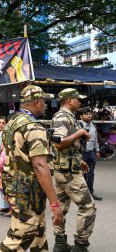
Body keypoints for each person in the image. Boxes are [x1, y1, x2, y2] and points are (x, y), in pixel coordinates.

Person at [0, 85, 64, 252]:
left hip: (18, 187)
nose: (45, 105)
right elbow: (40, 165)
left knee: (38, 235)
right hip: (29, 193)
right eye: (43, 101)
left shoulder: (12, 122)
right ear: (36, 102)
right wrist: (55, 203)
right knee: (19, 238)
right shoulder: (34, 127)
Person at [51, 88, 97, 252]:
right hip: (68, 173)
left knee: (61, 207)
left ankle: (60, 243)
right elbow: (59, 143)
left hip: (65, 169)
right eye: (78, 99)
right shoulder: (63, 116)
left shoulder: (68, 117)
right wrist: (80, 132)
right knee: (88, 207)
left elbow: (64, 148)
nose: (80, 102)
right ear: (69, 100)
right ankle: (80, 245)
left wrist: (79, 160)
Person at [79, 107, 102, 201]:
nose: (89, 115)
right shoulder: (78, 125)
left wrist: (97, 150)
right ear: (81, 116)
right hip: (82, 153)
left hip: (91, 153)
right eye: (86, 114)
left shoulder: (93, 125)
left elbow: (95, 139)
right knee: (82, 174)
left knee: (91, 173)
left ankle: (91, 192)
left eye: (90, 113)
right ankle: (82, 194)